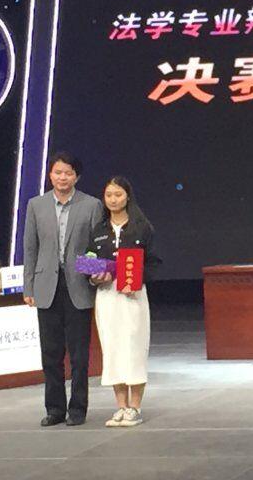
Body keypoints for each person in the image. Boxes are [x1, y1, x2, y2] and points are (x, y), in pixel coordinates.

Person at [23, 151, 104, 427]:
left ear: (76, 177)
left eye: (68, 173)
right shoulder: (36, 205)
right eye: (58, 172)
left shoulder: (91, 205)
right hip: (47, 286)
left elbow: (97, 247)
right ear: (50, 175)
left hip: (78, 285)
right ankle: (55, 409)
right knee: (50, 353)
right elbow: (30, 248)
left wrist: (95, 279)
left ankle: (78, 409)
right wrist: (28, 285)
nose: (62, 177)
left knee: (79, 355)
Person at [87, 176, 158, 427]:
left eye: (118, 194)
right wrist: (94, 276)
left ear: (127, 196)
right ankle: (121, 406)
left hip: (133, 297)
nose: (113, 200)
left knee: (134, 347)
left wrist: (137, 280)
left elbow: (154, 263)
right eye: (109, 195)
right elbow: (88, 260)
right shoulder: (98, 230)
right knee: (112, 347)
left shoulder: (142, 227)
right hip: (107, 297)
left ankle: (135, 407)